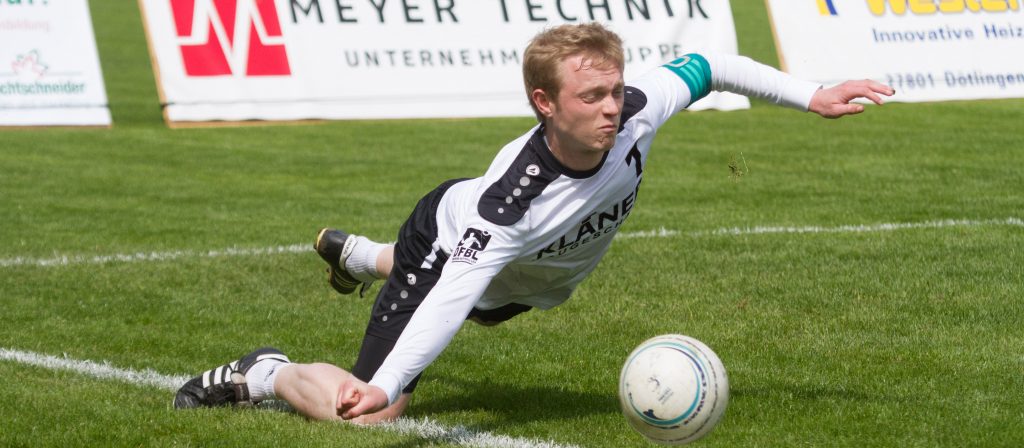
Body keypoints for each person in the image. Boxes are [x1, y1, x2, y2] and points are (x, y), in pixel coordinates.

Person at [173, 22, 894, 423]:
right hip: (456, 245)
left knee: (478, 284)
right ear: (545, 103)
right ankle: (265, 372)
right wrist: (388, 384)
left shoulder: (639, 109)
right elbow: (450, 298)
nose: (613, 107)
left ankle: (360, 258)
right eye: (592, 95)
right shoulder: (512, 205)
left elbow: (715, 65)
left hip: (523, 277)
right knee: (366, 417)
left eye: (614, 88)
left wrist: (812, 94)